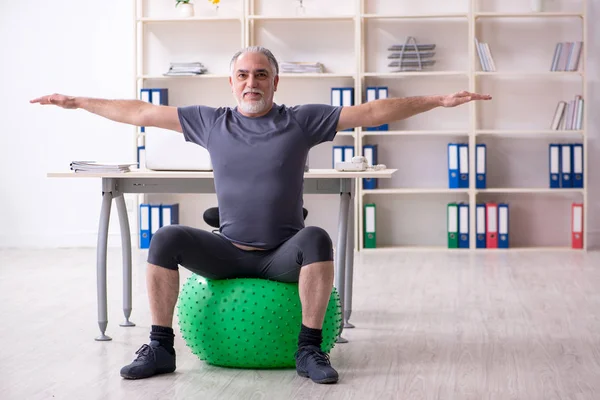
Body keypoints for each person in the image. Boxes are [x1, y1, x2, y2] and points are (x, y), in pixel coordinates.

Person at [31, 46, 491, 384]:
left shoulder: (302, 120)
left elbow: (370, 111)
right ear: (231, 83)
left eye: (262, 75)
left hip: (282, 256)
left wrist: (437, 100)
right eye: (243, 75)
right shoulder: (210, 121)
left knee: (317, 238)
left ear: (276, 82)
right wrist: (79, 102)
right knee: (166, 237)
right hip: (228, 251)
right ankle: (161, 348)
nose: (252, 82)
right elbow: (142, 112)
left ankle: (309, 351)